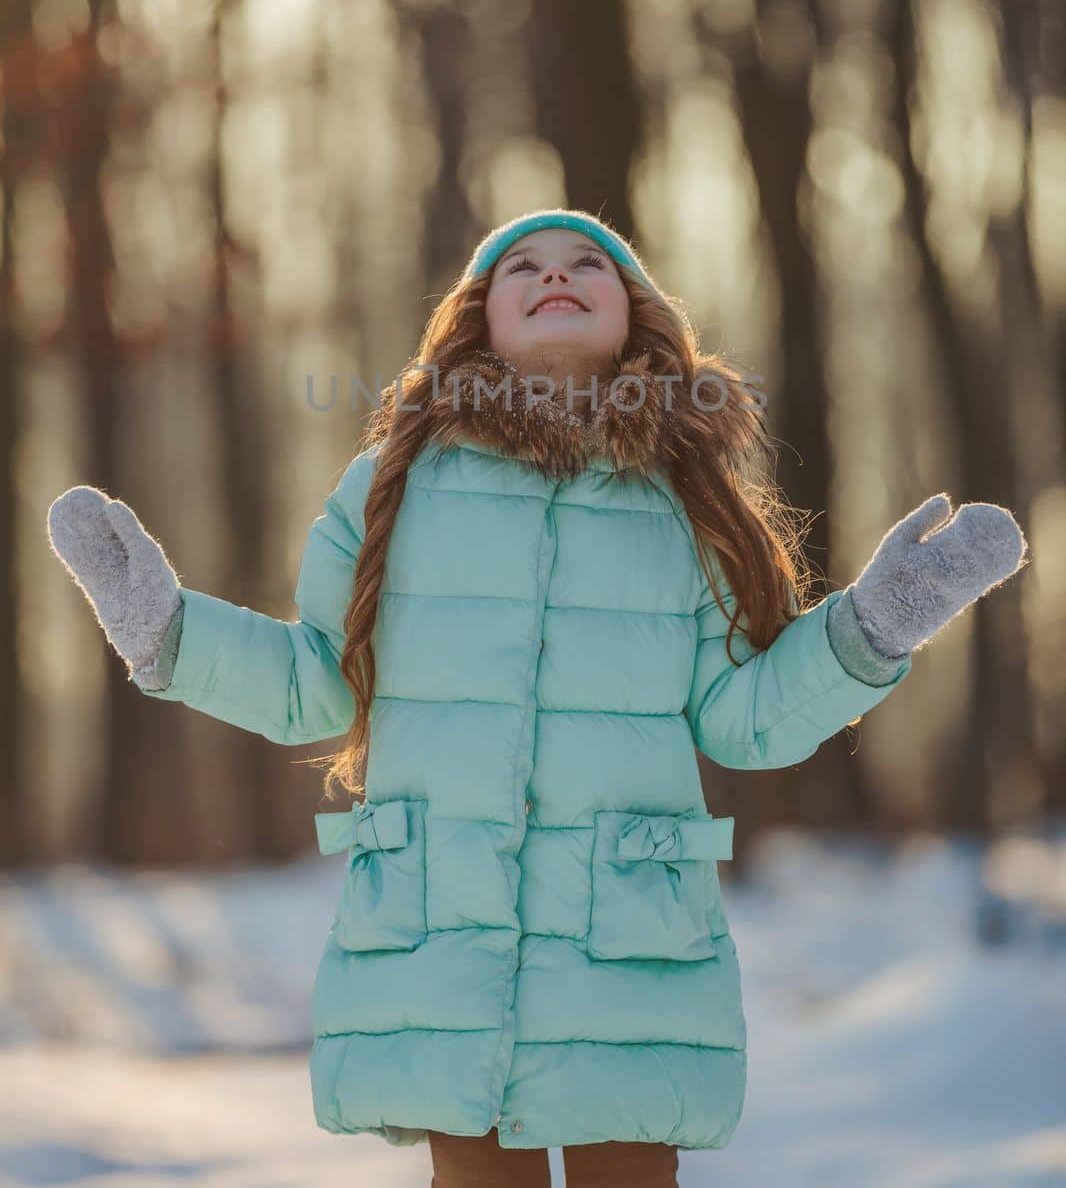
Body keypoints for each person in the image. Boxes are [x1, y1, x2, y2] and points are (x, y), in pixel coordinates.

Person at [46, 208, 1027, 1188]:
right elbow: (314, 686)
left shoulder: (680, 500)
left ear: (636, 318)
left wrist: (872, 627)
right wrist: (170, 635)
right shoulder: (392, 487)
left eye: (585, 263)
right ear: (477, 323)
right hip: (444, 924)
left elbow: (747, 716)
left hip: (627, 938)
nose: (554, 273)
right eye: (521, 265)